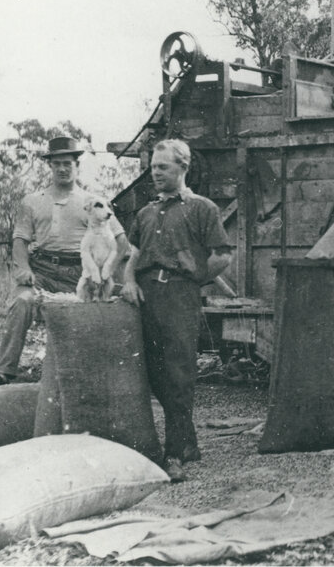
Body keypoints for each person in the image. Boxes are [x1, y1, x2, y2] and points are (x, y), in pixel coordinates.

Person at [121, 139, 231, 481]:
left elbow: (222, 255)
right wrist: (129, 282)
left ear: (183, 168)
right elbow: (134, 256)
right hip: (145, 295)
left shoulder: (202, 209)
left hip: (180, 296)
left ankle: (174, 455)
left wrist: (195, 280)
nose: (155, 173)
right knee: (153, 373)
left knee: (178, 372)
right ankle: (188, 443)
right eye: (153, 167)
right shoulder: (146, 212)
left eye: (163, 167)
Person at [0, 137, 127, 386]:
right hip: (42, 271)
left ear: (77, 166)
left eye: (67, 163)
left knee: (95, 313)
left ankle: (90, 375)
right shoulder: (32, 201)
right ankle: (4, 370)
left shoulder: (93, 201)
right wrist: (23, 268)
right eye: (57, 163)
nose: (62, 168)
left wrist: (107, 271)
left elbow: (121, 240)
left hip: (80, 273)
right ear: (49, 166)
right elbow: (20, 240)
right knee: (21, 301)